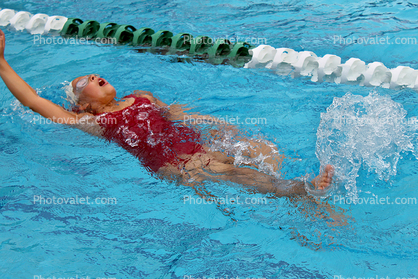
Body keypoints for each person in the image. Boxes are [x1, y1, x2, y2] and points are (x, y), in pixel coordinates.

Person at [0, 29, 334, 198]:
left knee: (260, 148)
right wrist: (1, 63)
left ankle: (293, 197)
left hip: (194, 147)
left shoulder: (142, 96)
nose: (91, 76)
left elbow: (175, 116)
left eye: (92, 73)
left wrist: (217, 126)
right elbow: (31, 100)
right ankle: (298, 190)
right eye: (82, 82)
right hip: (175, 164)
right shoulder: (94, 122)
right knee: (233, 173)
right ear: (83, 105)